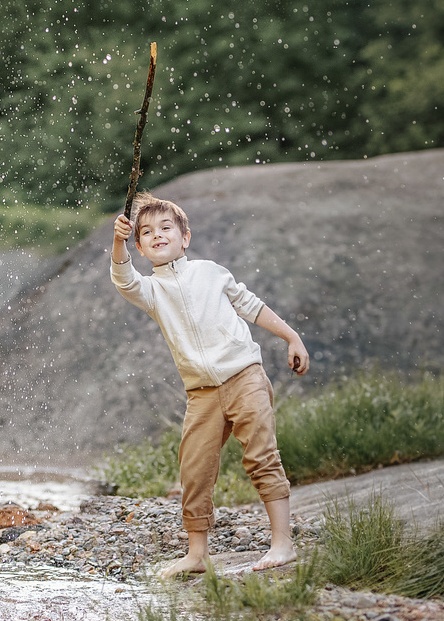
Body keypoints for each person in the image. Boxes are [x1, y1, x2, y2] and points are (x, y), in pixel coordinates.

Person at [111, 193, 309, 577]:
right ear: (139, 247)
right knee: (194, 469)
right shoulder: (151, 290)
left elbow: (251, 306)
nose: (157, 235)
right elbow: (123, 277)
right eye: (146, 233)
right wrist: (117, 241)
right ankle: (197, 554)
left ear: (185, 237)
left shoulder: (211, 272)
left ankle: (283, 543)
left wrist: (291, 337)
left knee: (261, 455)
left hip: (244, 375)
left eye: (166, 228)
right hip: (202, 393)